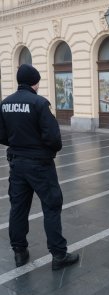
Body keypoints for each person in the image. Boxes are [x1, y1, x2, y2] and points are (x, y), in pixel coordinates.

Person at [0, 64, 79, 270]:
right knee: (52, 206)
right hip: (40, 165)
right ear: (35, 82)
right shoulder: (39, 103)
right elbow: (54, 138)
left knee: (18, 208)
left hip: (16, 163)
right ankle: (59, 255)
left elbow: (2, 135)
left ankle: (19, 251)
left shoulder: (5, 103)